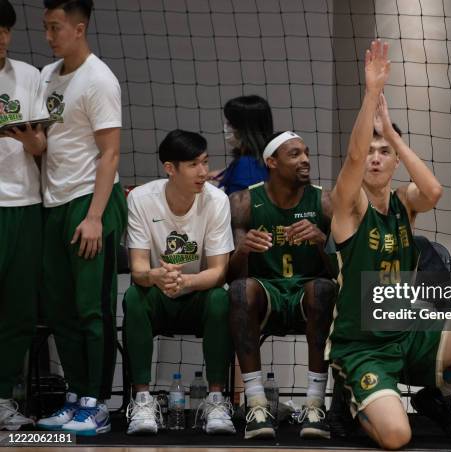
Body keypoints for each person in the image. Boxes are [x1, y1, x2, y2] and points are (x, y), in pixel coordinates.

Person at [326, 40, 451, 450]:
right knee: (396, 438)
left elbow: (434, 191)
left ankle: (430, 393)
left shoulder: (404, 204)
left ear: (395, 162)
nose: (374, 158)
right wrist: (372, 93)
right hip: (363, 345)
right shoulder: (349, 207)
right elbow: (353, 161)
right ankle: (353, 400)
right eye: (371, 151)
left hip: (407, 331)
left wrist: (392, 132)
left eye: (384, 152)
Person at [35, 0, 127, 436]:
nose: (50, 36)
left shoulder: (99, 79)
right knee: (61, 308)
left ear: (79, 27)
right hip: (53, 204)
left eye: (56, 27)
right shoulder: (47, 77)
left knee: (93, 308)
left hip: (90, 202)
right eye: (46, 27)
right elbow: (46, 142)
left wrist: (94, 217)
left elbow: (109, 153)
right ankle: (74, 395)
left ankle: (98, 401)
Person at [122, 129, 235, 435]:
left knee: (221, 297)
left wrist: (186, 282)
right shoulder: (141, 200)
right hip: (160, 292)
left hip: (196, 291)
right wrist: (156, 276)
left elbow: (218, 272)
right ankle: (143, 401)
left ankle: (215, 400)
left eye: (205, 162)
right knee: (134, 297)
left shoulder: (217, 200)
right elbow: (138, 269)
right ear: (170, 168)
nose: (203, 172)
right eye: (193, 165)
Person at [228, 131, 336, 439]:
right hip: (267, 294)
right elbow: (231, 276)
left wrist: (321, 242)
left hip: (308, 295)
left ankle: (315, 405)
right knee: (239, 291)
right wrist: (242, 250)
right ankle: (257, 404)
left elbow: (340, 271)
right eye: (295, 155)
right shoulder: (244, 202)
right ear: (272, 162)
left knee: (324, 289)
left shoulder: (325, 201)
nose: (305, 160)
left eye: (306, 153)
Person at [0, 0, 47, 431]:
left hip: (25, 206)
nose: (0, 37)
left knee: (17, 312)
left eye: (5, 30)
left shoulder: (29, 77)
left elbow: (43, 143)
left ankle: (1, 400)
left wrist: (35, 145)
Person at [210, 95, 271, 194]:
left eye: (230, 122)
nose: (226, 126)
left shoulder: (246, 166)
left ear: (245, 129)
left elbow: (236, 205)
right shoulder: (263, 160)